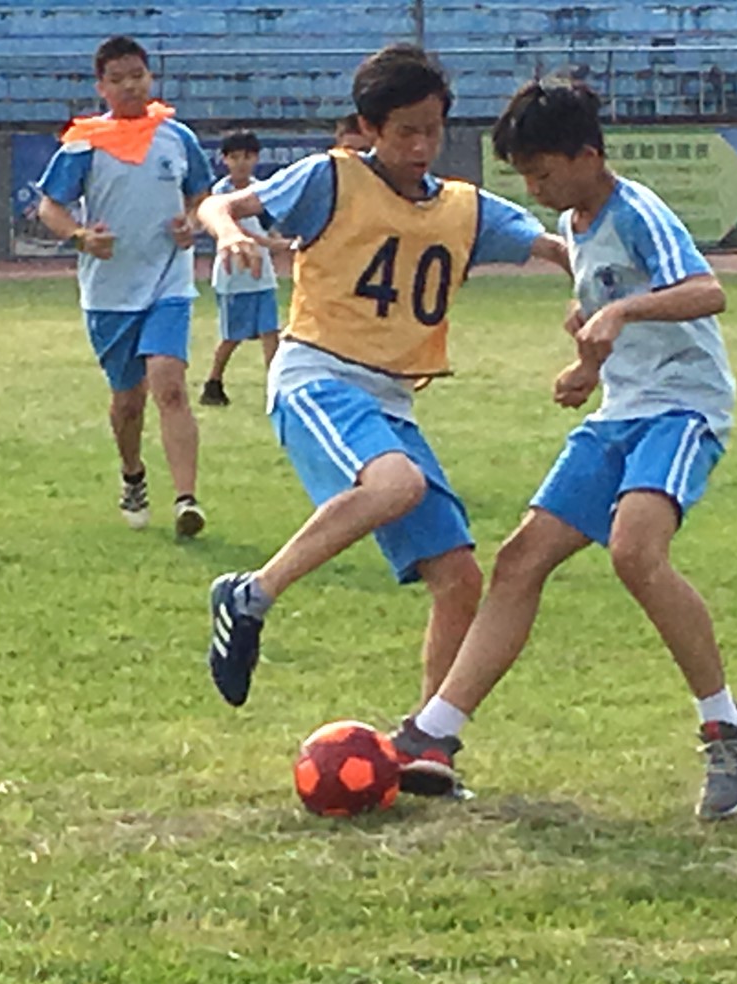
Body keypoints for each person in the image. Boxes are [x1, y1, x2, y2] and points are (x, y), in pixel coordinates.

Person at [394, 77, 737, 820]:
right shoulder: (575, 221)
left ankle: (729, 729)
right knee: (520, 559)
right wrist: (587, 365)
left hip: (682, 409)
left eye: (543, 173)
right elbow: (596, 302)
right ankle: (433, 733)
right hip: (620, 412)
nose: (536, 190)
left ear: (588, 155)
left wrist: (623, 313)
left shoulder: (639, 211)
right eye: (526, 177)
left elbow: (706, 290)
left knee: (635, 552)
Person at [200, 45, 567, 708]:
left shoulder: (463, 208)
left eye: (433, 130)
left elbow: (550, 247)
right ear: (369, 128)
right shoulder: (330, 179)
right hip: (317, 376)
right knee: (397, 484)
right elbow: (219, 207)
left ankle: (429, 737)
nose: (421, 146)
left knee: (459, 577)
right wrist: (229, 234)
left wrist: (599, 287)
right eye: (405, 132)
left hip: (391, 401)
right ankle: (249, 595)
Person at [35, 34, 213, 536]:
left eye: (138, 75)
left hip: (168, 282)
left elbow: (201, 196)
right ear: (102, 87)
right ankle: (133, 473)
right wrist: (81, 237)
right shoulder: (85, 141)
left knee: (169, 384)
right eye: (118, 79)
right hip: (110, 291)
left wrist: (192, 223)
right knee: (128, 400)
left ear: (150, 77)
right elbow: (50, 205)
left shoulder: (176, 137)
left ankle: (187, 500)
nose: (131, 86)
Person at [200, 130, 287, 407]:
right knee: (232, 336)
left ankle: (276, 387)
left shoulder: (261, 190)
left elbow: (268, 224)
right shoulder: (220, 193)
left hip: (262, 275)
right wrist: (272, 243)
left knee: (270, 331)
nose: (241, 163)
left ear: (256, 158)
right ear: (224, 159)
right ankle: (213, 381)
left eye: (247, 157)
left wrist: (278, 240)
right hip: (234, 275)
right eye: (235, 157)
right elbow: (235, 229)